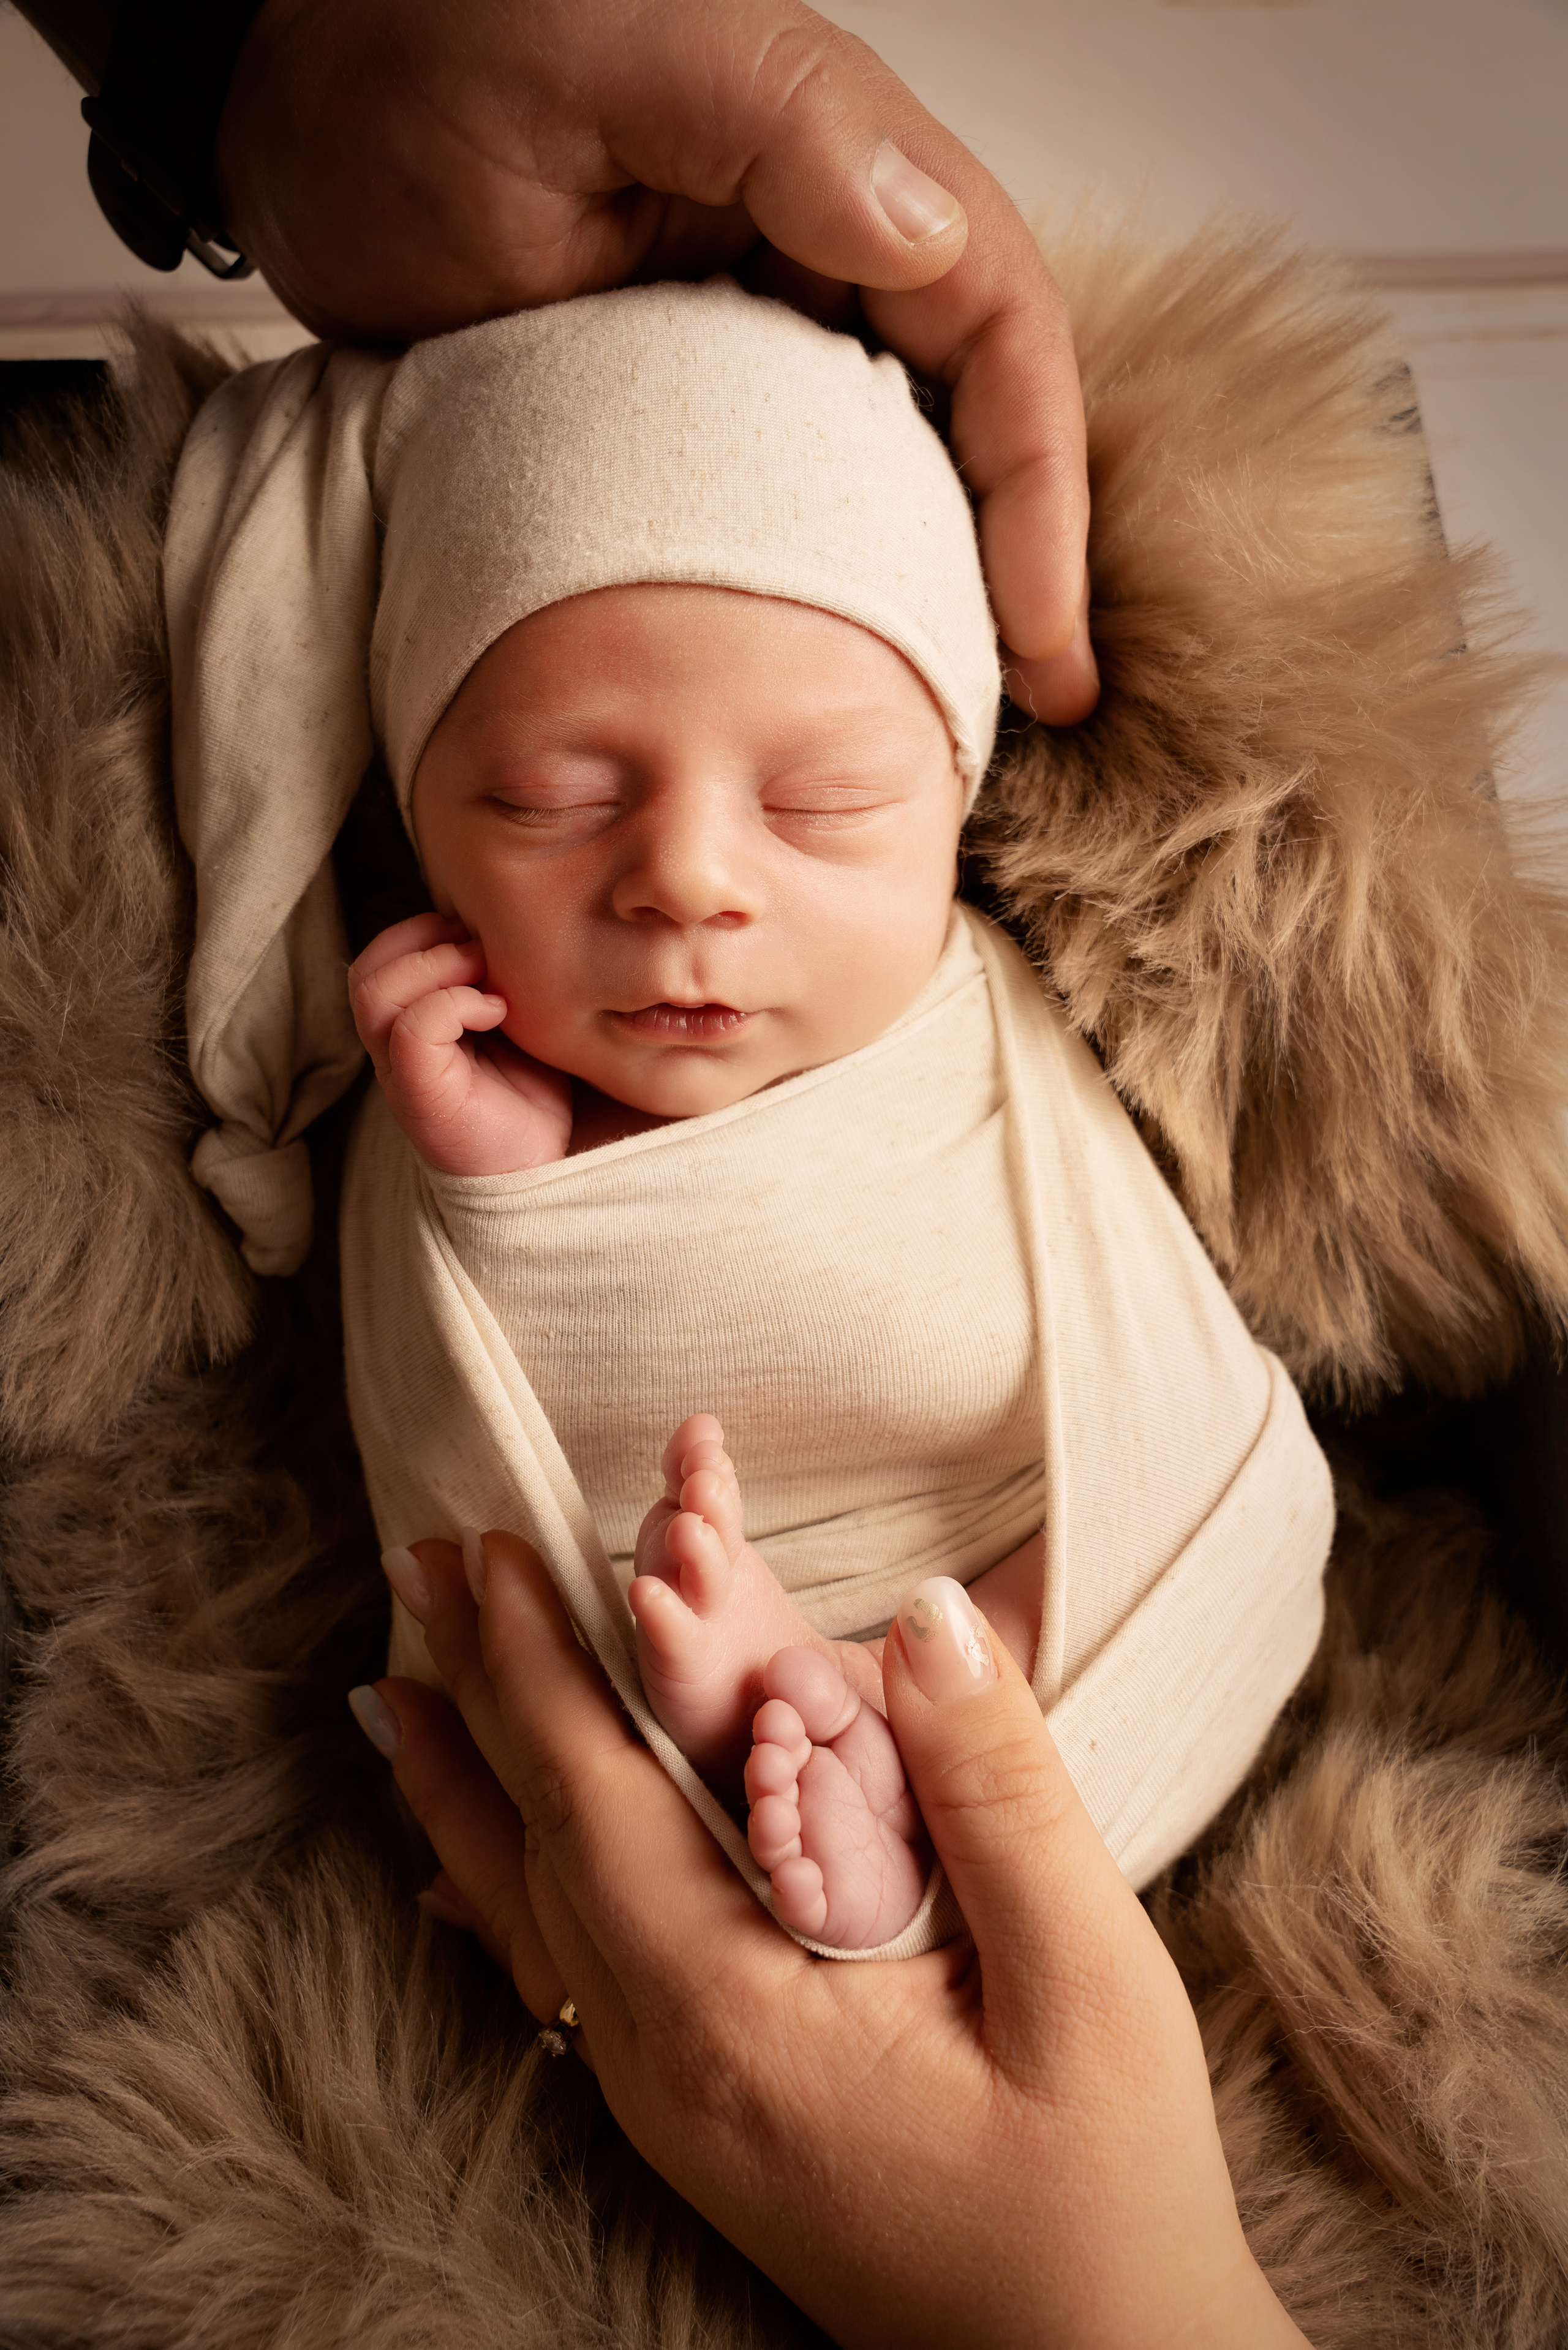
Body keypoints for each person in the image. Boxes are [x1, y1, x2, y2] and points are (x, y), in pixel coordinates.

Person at [349, 1524, 1314, 2348]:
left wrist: (1087, 2309)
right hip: (1064, 1762)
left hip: (1020, 1861)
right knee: (1260, 1522)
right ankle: (853, 1749)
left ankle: (836, 1780)